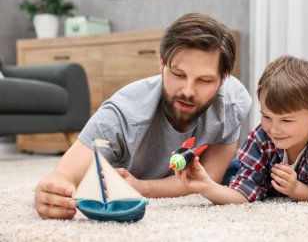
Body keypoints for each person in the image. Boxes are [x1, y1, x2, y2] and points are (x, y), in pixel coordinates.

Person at [34, 13, 252, 219]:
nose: (188, 90)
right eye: (178, 74)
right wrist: (52, 191)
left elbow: (208, 178)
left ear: (223, 79)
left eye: (204, 81)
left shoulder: (233, 103)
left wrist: (142, 187)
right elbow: (65, 174)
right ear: (161, 62)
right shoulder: (123, 113)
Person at [176, 55, 308, 204]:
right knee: (232, 171)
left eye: (286, 120)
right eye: (266, 116)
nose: (274, 129)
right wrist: (206, 186)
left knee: (233, 169)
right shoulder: (259, 138)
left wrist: (297, 190)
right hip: (257, 171)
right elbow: (243, 193)